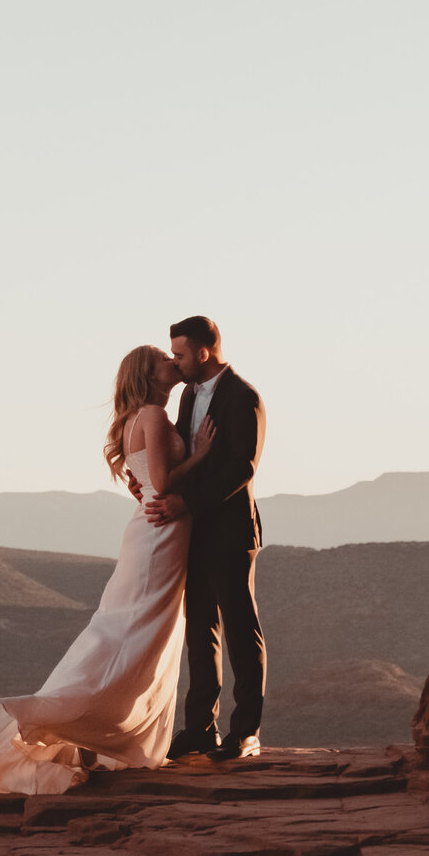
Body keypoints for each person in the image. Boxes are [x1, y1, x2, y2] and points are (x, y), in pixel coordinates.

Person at [0, 344, 215, 795]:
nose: (173, 364)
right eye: (164, 360)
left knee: (132, 633)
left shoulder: (142, 417)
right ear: (148, 374)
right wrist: (204, 453)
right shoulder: (152, 416)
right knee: (132, 635)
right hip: (159, 535)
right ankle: (72, 717)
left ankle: (91, 732)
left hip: (157, 531)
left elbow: (147, 481)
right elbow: (164, 480)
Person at [140, 315, 267, 761]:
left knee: (239, 627)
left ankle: (246, 731)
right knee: (200, 629)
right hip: (191, 532)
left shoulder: (243, 397)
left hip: (231, 531)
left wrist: (188, 503)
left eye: (179, 354)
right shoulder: (190, 395)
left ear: (202, 353)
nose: (175, 362)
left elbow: (241, 468)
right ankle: (201, 729)